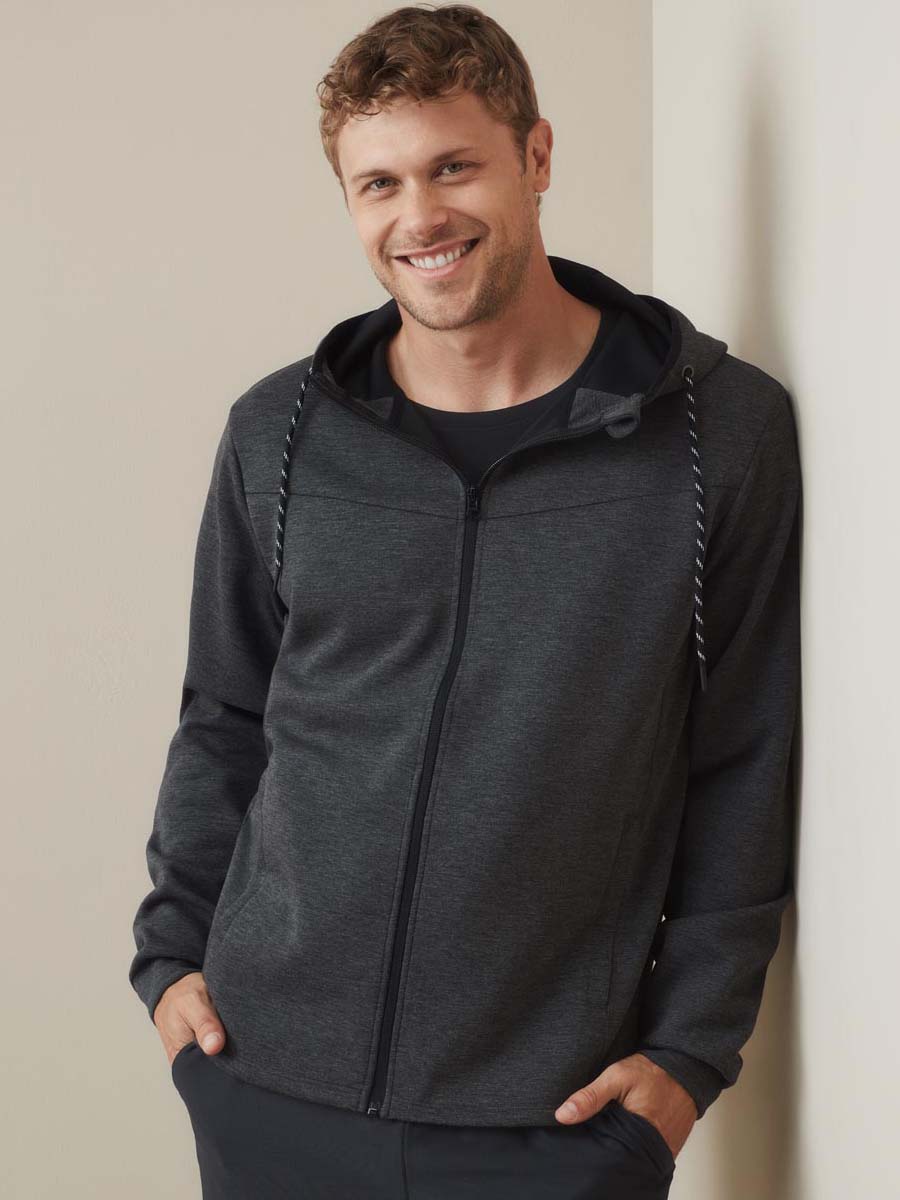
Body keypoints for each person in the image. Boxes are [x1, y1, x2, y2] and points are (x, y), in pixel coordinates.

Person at [129, 5, 802, 1197]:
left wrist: (687, 1058)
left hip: (555, 1121)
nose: (419, 216)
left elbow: (743, 761)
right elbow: (225, 715)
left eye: (454, 167)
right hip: (265, 1083)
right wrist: (174, 955)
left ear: (536, 156)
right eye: (378, 183)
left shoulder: (716, 437)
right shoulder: (281, 434)